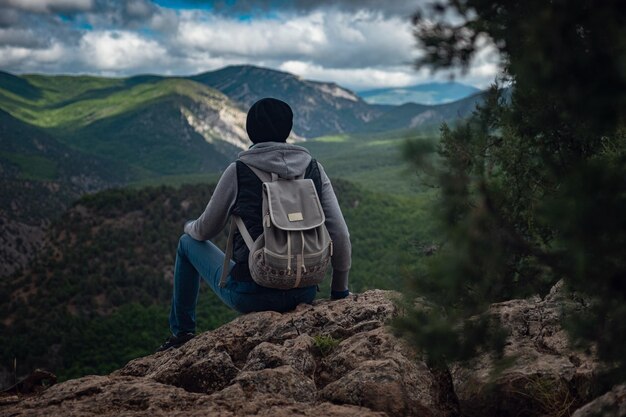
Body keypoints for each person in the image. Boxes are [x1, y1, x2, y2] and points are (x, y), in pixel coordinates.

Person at [157, 97, 351, 351]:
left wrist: (189, 225)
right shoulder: (314, 168)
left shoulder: (238, 170)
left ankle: (182, 333)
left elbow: (206, 230)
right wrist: (339, 294)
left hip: (251, 294)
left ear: (250, 131)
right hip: (304, 289)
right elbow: (340, 234)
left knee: (187, 243)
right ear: (287, 129)